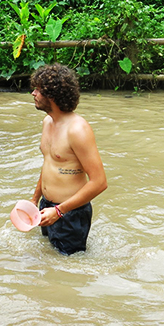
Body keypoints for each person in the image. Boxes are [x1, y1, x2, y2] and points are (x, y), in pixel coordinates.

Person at [29, 63, 108, 255]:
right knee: (50, 261)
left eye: (38, 90)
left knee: (68, 268)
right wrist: (34, 200)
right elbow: (49, 164)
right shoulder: (47, 122)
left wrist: (59, 211)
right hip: (46, 207)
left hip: (70, 213)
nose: (33, 93)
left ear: (52, 96)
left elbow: (100, 182)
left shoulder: (78, 129)